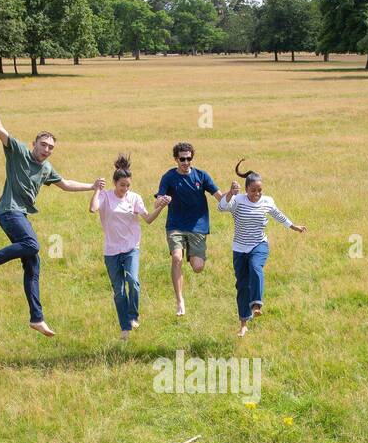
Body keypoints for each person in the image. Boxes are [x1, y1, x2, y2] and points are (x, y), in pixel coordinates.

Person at [0, 77, 104, 337]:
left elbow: (65, 184)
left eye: (51, 148)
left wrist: (92, 186)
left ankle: (37, 318)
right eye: (43, 145)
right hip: (8, 210)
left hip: (20, 213)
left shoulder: (46, 168)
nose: (47, 150)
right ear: (34, 143)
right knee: (32, 245)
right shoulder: (18, 151)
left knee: (33, 264)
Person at [217, 159, 306, 337]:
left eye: (260, 190)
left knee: (256, 268)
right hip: (240, 249)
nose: (257, 193)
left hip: (259, 244)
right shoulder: (238, 200)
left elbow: (278, 214)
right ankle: (243, 323)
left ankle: (257, 304)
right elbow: (221, 207)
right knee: (242, 286)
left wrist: (293, 226)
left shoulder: (267, 201)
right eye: (253, 190)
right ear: (246, 189)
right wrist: (229, 193)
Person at [89, 154, 171, 340]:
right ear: (114, 183)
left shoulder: (134, 198)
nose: (125, 189)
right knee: (118, 291)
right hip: (111, 251)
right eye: (122, 185)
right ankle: (124, 327)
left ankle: (133, 316)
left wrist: (161, 207)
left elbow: (148, 219)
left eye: (128, 185)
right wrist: (96, 190)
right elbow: (93, 208)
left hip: (131, 247)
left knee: (133, 281)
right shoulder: (105, 196)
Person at [155, 142, 225, 317]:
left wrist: (233, 194)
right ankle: (180, 301)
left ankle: (193, 255)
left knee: (197, 267)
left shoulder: (202, 176)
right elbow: (158, 199)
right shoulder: (168, 177)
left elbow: (220, 198)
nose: (186, 162)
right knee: (176, 258)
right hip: (175, 225)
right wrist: (162, 201)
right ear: (176, 159)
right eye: (182, 159)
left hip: (198, 226)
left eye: (189, 158)